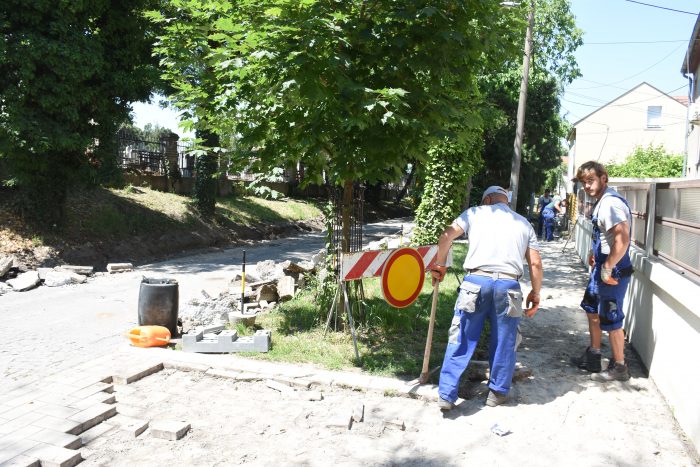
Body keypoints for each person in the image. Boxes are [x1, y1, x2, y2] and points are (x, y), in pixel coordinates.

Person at [430, 186, 543, 410]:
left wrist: (440, 265)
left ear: (488, 199)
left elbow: (446, 237)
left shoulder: (474, 213)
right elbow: (536, 263)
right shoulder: (523, 223)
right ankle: (497, 393)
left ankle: (447, 394)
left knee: (461, 335)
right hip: (509, 287)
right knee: (505, 340)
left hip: (475, 282)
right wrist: (536, 293)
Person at [572, 161, 634, 382]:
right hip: (601, 268)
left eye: (591, 181)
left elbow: (622, 238)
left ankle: (620, 367)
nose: (587, 186)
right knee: (591, 308)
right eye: (584, 182)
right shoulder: (601, 202)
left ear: (603, 178)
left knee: (611, 317)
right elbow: (606, 236)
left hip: (613, 271)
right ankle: (594, 355)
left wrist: (608, 266)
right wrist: (594, 252)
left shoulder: (610, 204)